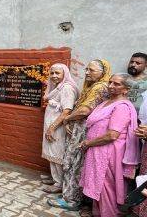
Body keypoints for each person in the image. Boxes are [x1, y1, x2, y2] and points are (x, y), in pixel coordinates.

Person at [47, 59, 110, 212]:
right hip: (76, 129)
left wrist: (67, 119)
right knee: (71, 162)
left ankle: (71, 200)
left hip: (83, 132)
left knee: (74, 164)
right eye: (86, 69)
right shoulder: (91, 87)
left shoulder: (100, 88)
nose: (87, 72)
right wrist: (69, 122)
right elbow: (78, 107)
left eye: (91, 70)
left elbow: (85, 111)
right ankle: (68, 195)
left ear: (102, 73)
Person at [78, 73, 140, 216]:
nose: (111, 86)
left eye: (116, 84)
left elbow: (113, 135)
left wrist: (88, 143)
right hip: (97, 151)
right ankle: (98, 213)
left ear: (126, 89)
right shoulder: (106, 102)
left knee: (106, 187)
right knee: (98, 185)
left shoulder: (122, 107)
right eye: (110, 82)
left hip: (109, 154)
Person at [41, 63, 79, 193]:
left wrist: (52, 127)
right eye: (52, 73)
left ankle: (59, 184)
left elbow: (66, 111)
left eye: (57, 73)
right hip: (52, 124)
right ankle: (55, 177)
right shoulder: (58, 87)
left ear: (65, 74)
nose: (54, 76)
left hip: (58, 126)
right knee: (52, 151)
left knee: (57, 153)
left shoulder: (66, 88)